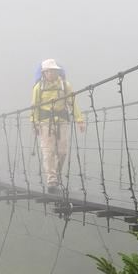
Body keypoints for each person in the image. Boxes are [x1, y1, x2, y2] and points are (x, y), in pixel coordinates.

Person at [30, 59, 85, 194]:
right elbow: (34, 106)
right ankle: (52, 180)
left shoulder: (65, 85)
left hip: (62, 121)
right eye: (48, 71)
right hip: (45, 123)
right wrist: (34, 123)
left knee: (62, 152)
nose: (50, 73)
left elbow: (73, 103)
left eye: (53, 70)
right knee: (48, 152)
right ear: (44, 73)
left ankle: (57, 175)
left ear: (57, 71)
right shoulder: (39, 87)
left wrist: (79, 119)